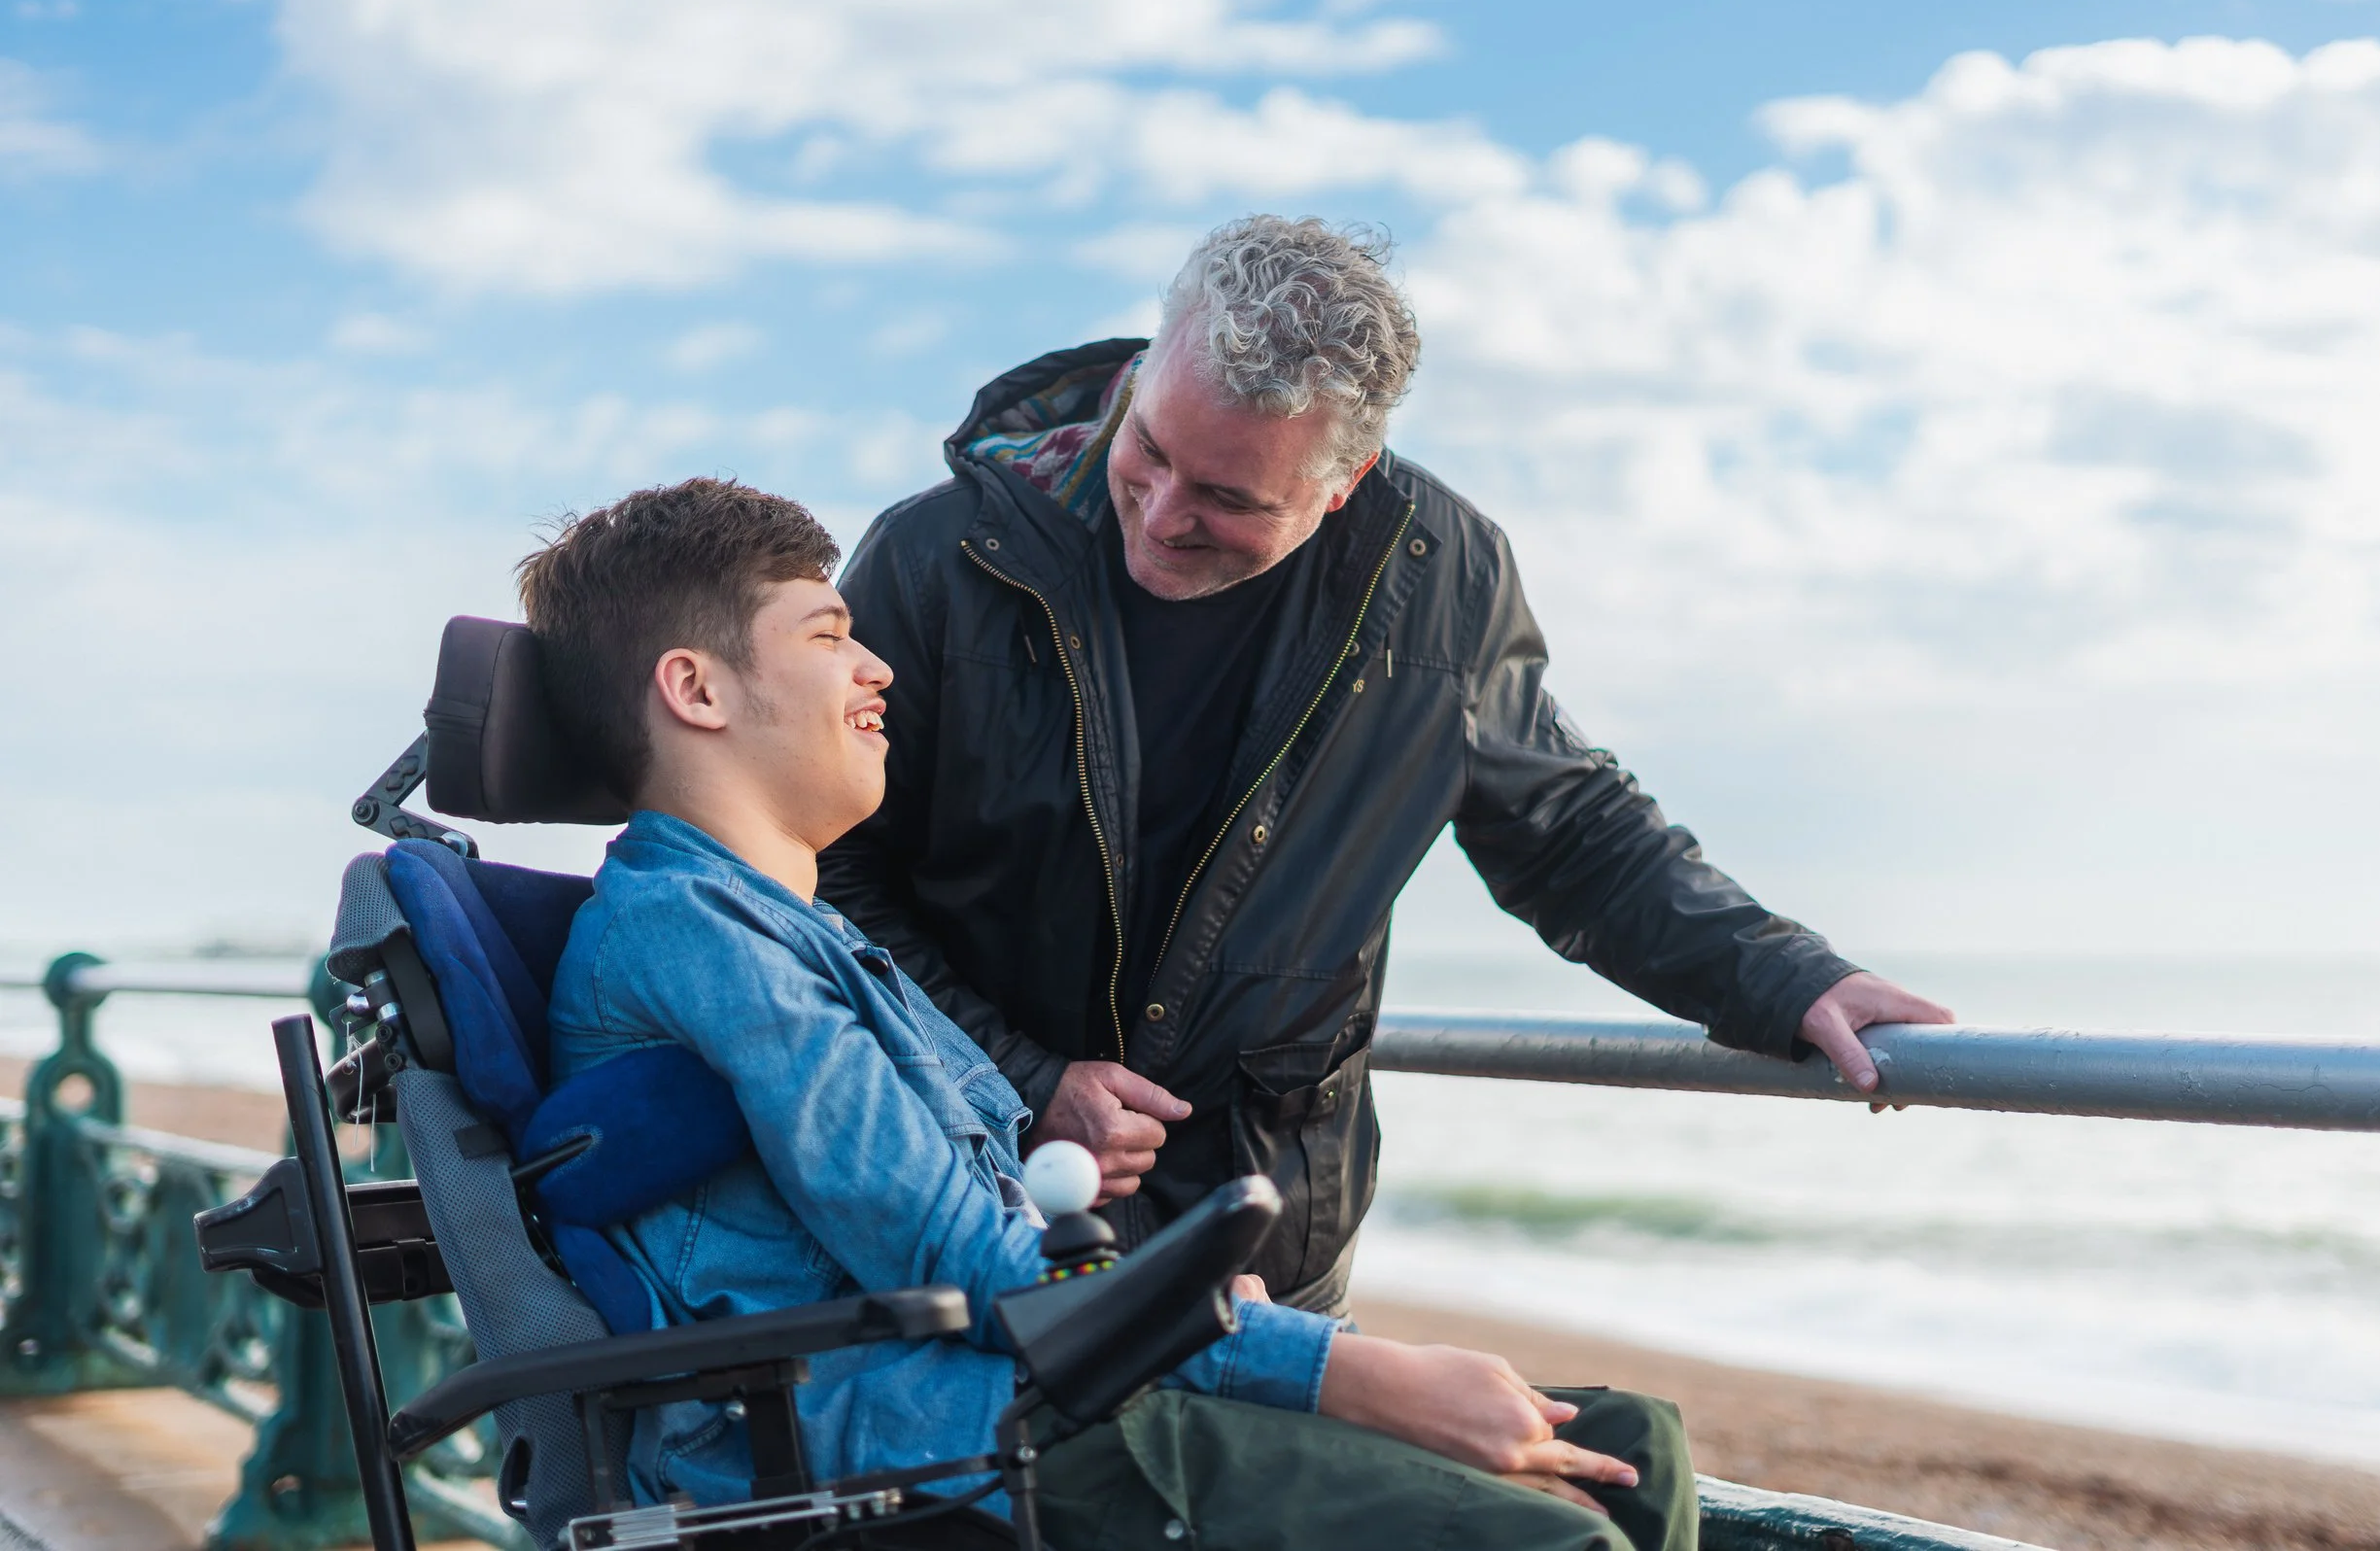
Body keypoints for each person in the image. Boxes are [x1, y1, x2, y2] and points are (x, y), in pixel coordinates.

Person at [525, 478, 1697, 1550]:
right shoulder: (693, 932)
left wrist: (1182, 1293)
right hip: (928, 1451)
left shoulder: (809, 930)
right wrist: (1348, 1369)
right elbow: (946, 1252)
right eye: (829, 636)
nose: (876, 668)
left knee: (1634, 1444)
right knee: (1559, 1538)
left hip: (1023, 1386)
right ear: (695, 687)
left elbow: (984, 1224)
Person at [826, 216, 1954, 1310]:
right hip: (963, 1204)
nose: (1163, 514)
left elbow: (1570, 833)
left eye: (1229, 498)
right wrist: (1018, 1081)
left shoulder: (1442, 575)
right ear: (1139, 379)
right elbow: (814, 875)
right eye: (1150, 450)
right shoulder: (934, 560)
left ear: (1345, 480)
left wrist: (1783, 975)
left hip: (1267, 1235)